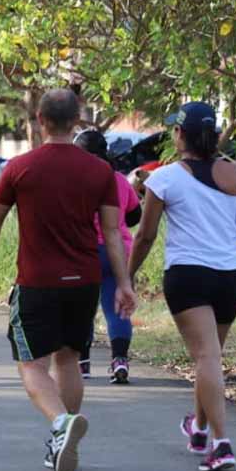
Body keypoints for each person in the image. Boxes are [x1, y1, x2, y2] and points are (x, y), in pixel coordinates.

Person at [0, 88, 137, 471]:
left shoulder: (19, 167)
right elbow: (113, 234)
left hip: (37, 282)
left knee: (30, 365)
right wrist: (125, 283)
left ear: (40, 120)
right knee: (69, 359)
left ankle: (61, 424)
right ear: (77, 121)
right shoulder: (100, 172)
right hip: (84, 281)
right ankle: (66, 434)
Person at [129, 102, 236, 471]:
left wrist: (128, 275)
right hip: (229, 278)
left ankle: (221, 443)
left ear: (180, 135)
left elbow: (145, 237)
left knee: (206, 358)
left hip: (188, 277)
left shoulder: (163, 179)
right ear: (213, 135)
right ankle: (198, 428)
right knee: (209, 356)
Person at [73, 129, 143, 383]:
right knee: (117, 308)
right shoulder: (118, 180)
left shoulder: (75, 180)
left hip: (85, 251)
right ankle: (120, 361)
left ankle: (82, 363)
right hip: (117, 252)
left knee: (82, 309)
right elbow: (135, 215)